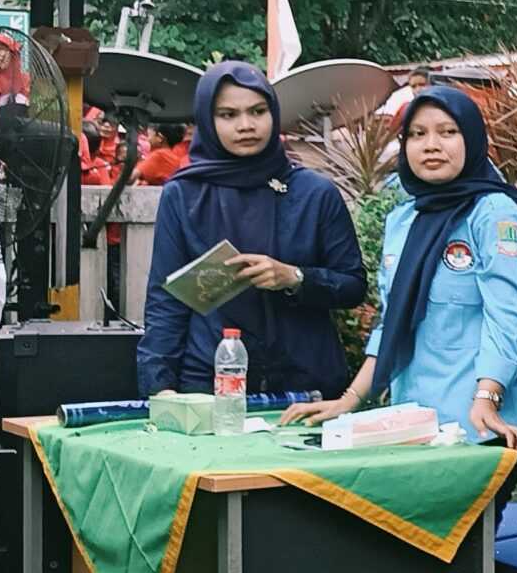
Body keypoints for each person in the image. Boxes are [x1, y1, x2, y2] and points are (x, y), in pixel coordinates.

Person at [280, 86, 517, 448]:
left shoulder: (495, 215)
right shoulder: (405, 220)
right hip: (413, 422)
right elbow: (392, 324)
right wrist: (349, 401)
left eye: (447, 132)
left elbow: (509, 317)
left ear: (471, 139)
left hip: (480, 425)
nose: (431, 145)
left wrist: (488, 395)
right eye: (417, 134)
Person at [138, 63, 367, 397]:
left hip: (304, 387)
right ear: (207, 120)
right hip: (209, 384)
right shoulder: (185, 195)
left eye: (257, 111)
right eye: (228, 115)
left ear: (273, 113)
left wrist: (296, 277)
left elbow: (353, 286)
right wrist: (160, 387)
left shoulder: (314, 193)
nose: (246, 125)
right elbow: (166, 299)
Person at [79, 98, 124, 185]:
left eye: (112, 123)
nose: (106, 126)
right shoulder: (85, 136)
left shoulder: (122, 149)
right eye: (101, 122)